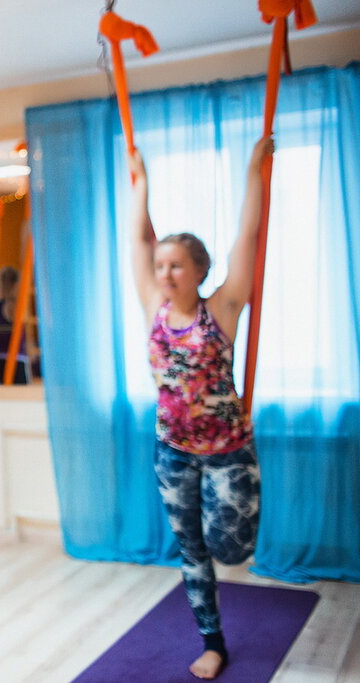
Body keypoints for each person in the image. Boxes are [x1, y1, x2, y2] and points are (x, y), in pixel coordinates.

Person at [129, 137, 273, 680]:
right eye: (161, 265)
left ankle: (232, 544)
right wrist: (142, 185)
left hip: (228, 450)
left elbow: (246, 239)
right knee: (191, 553)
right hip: (173, 452)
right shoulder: (153, 307)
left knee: (230, 550)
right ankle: (213, 643)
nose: (165, 273)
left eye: (176, 266)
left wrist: (254, 171)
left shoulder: (224, 309)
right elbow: (137, 241)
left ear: (198, 270)